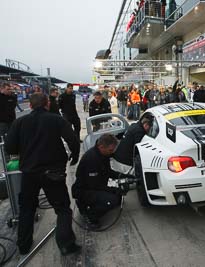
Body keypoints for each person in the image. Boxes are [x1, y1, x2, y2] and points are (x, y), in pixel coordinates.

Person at [5, 93, 80, 255]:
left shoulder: (19, 122)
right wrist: (75, 156)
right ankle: (66, 244)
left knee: (26, 208)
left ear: (30, 106)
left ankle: (23, 246)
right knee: (62, 209)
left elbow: (9, 148)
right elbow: (72, 139)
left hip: (29, 173)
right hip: (53, 172)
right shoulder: (56, 119)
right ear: (47, 104)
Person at [72, 134, 121, 228]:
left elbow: (108, 171)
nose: (112, 152)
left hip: (95, 186)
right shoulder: (91, 159)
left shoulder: (103, 155)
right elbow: (94, 185)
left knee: (119, 197)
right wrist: (112, 190)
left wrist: (121, 176)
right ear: (101, 147)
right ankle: (89, 214)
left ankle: (93, 205)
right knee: (112, 200)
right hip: (85, 190)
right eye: (110, 150)